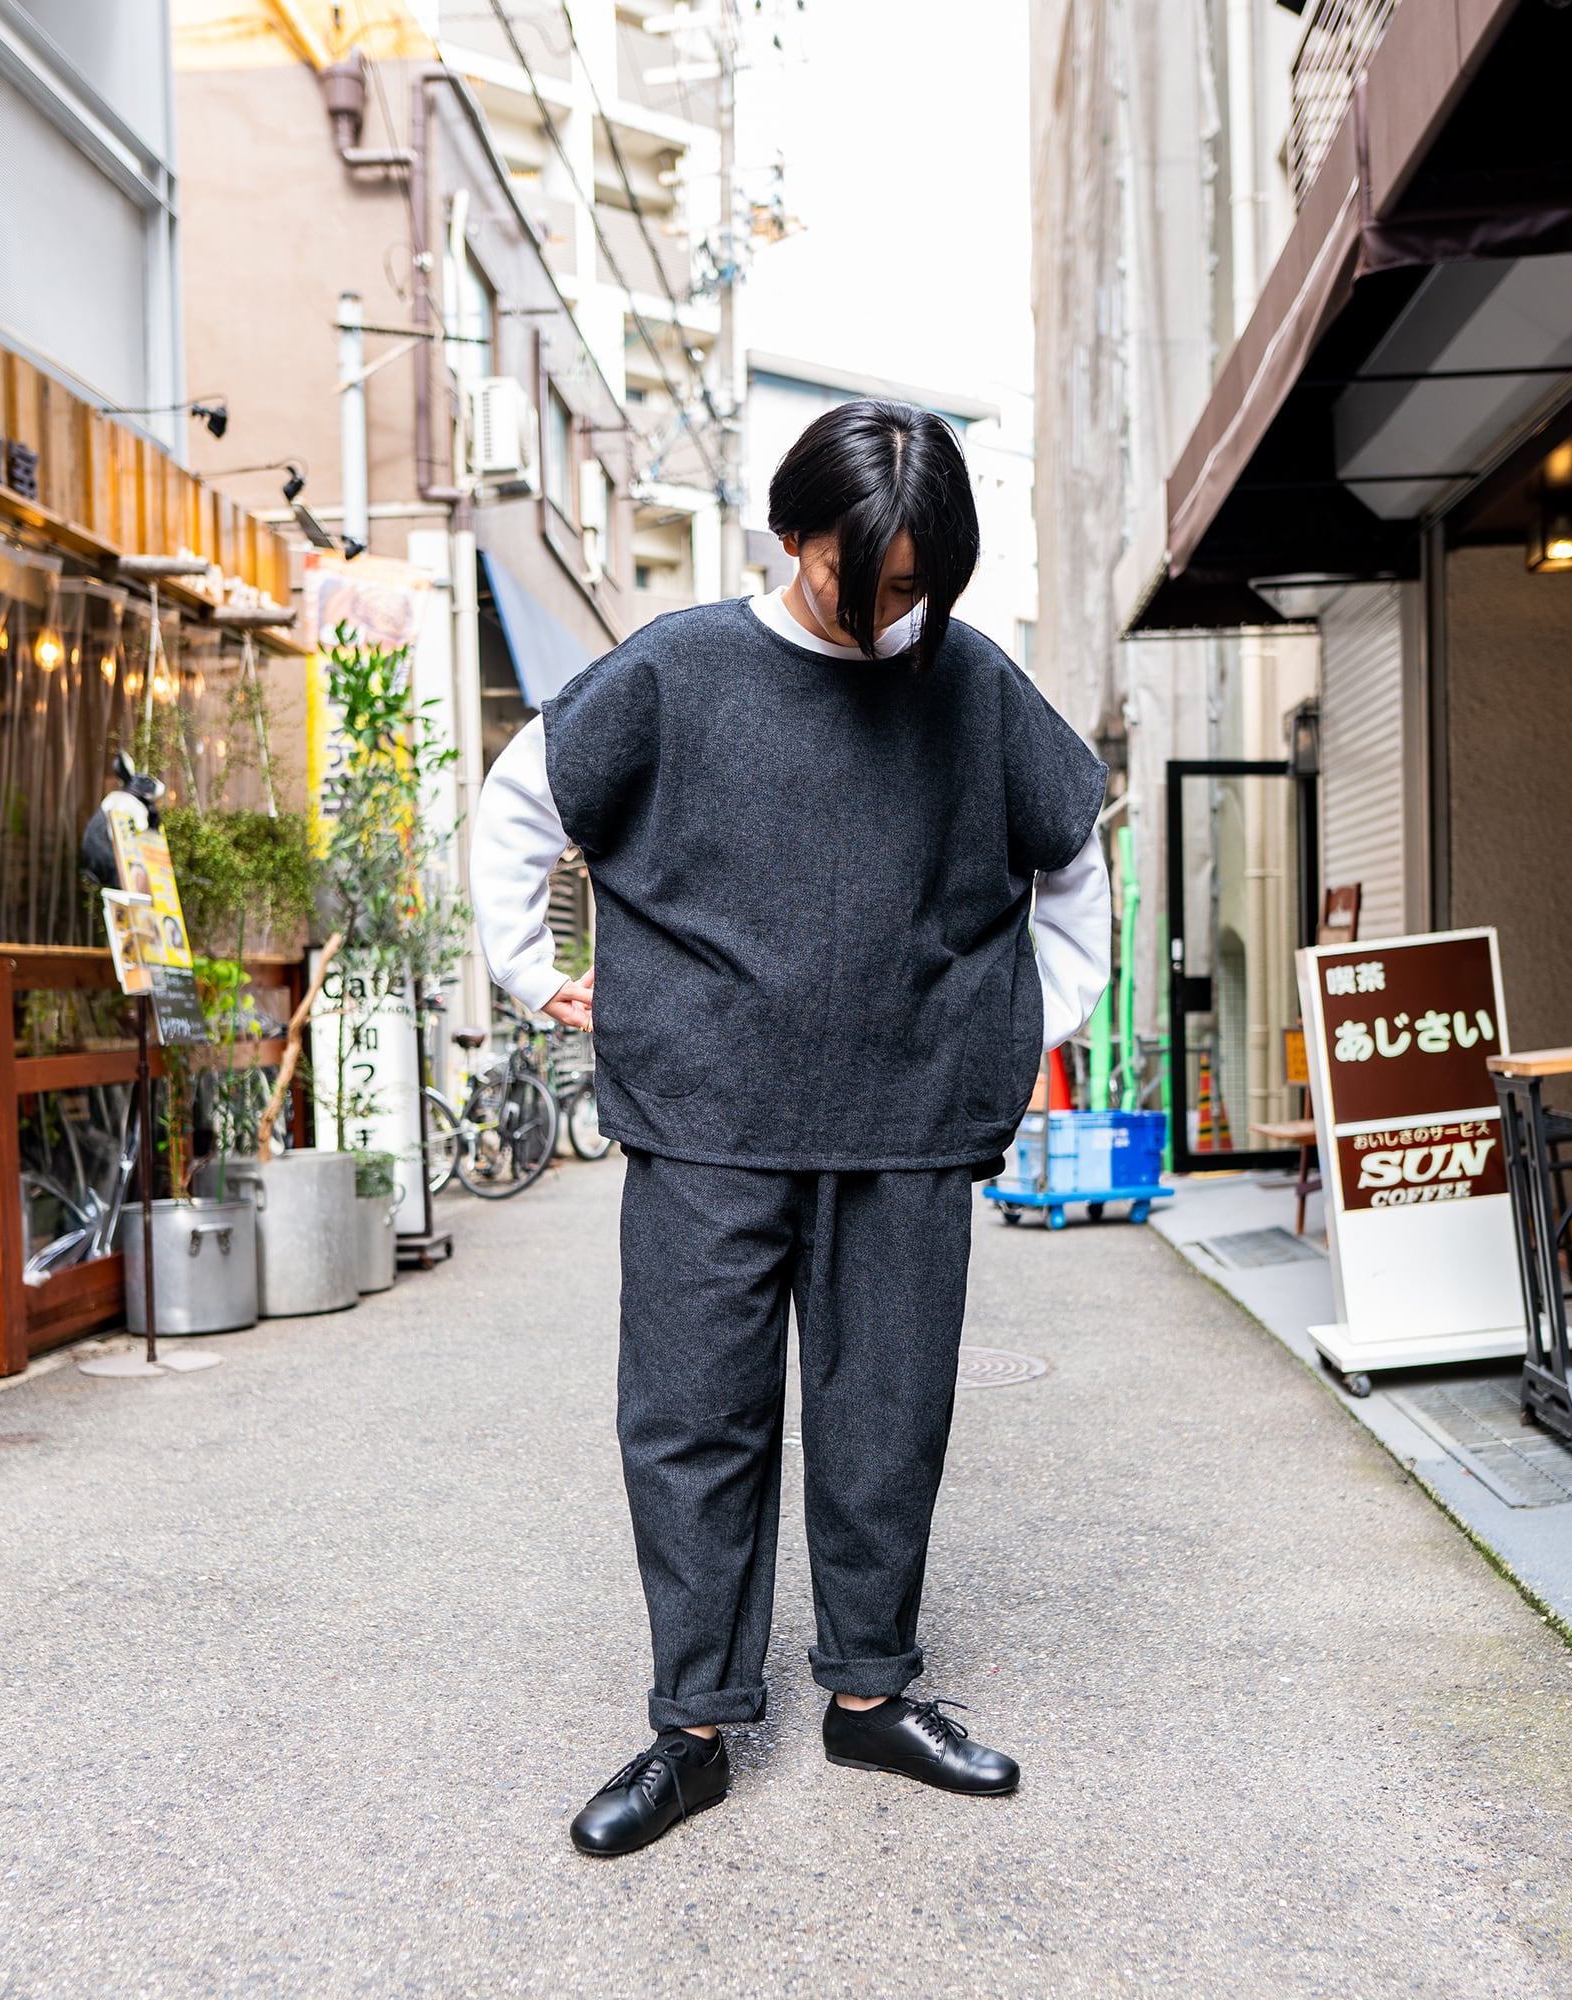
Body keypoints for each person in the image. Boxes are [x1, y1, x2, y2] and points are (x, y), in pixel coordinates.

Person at [471, 398, 1112, 1857]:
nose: (887, 614)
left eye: (916, 587)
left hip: (907, 1122)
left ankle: (872, 1696)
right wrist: (530, 973)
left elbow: (1074, 860)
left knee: (889, 1416)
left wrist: (1028, 1026)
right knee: (692, 1419)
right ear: (789, 535)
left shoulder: (970, 681)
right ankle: (692, 1730)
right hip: (703, 1114)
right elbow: (523, 800)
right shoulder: (680, 669)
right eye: (857, 576)